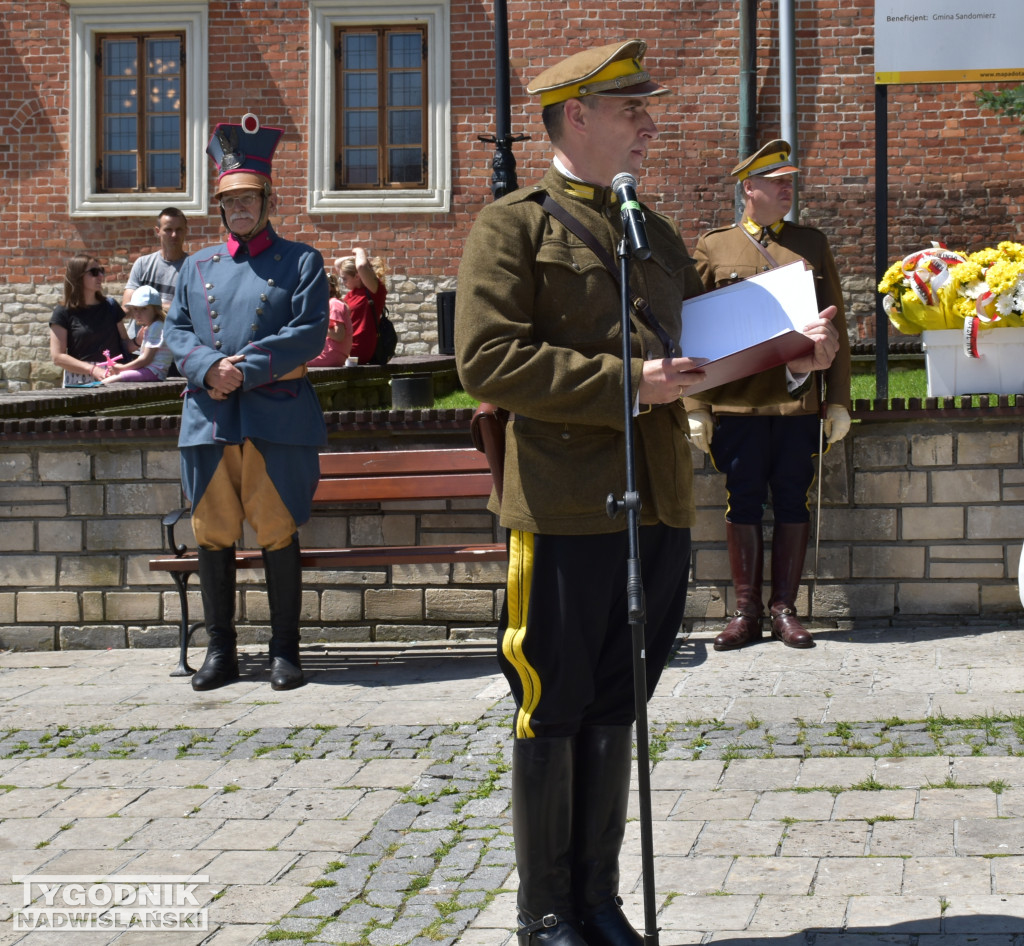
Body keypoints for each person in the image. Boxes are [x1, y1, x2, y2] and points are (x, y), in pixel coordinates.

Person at [454, 41, 840, 946]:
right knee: (552, 699)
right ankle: (545, 913)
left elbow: (703, 357)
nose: (650, 125)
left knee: (619, 700)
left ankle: (598, 902)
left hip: (657, 500)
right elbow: (490, 358)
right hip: (561, 504)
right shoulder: (513, 227)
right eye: (632, 110)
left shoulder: (655, 235)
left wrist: (795, 354)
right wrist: (632, 381)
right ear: (576, 116)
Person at [163, 115, 329, 693]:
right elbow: (176, 332)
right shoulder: (195, 267)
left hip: (274, 415)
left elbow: (309, 335)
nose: (239, 208)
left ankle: (286, 650)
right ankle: (221, 652)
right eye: (229, 200)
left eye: (248, 198)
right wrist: (210, 368)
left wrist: (243, 368)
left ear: (266, 199)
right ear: (220, 205)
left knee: (277, 529)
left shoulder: (302, 262)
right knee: (212, 530)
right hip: (210, 415)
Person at [685, 140, 852, 652]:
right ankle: (745, 612)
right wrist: (695, 407)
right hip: (737, 402)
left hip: (797, 400)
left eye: (789, 181)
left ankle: (784, 609)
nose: (787, 189)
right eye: (776, 181)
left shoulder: (811, 243)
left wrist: (839, 399)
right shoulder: (714, 246)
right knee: (743, 502)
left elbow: (835, 324)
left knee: (793, 500)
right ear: (747, 189)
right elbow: (692, 326)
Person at [49, 254, 135, 386]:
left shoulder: (110, 306)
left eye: (101, 271)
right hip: (79, 382)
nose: (101, 276)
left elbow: (125, 343)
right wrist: (92, 369)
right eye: (94, 272)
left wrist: (139, 341)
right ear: (78, 276)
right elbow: (58, 357)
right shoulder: (63, 312)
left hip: (113, 379)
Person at [101, 285, 174, 383]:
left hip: (154, 372)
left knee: (110, 381)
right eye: (135, 309)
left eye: (144, 308)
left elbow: (146, 359)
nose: (138, 314)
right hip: (149, 370)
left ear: (155, 309)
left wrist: (122, 368)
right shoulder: (152, 326)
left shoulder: (156, 326)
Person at [123, 207, 190, 310]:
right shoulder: (143, 264)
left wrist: (147, 305)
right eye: (168, 230)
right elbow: (127, 307)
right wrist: (167, 307)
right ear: (158, 231)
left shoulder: (192, 268)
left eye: (179, 230)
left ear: (186, 231)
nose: (174, 235)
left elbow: (190, 309)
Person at [336, 247, 387, 363]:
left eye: (344, 279)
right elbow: (337, 263)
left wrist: (359, 251)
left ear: (357, 276)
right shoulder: (351, 294)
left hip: (358, 349)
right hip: (345, 345)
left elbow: (361, 266)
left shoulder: (374, 290)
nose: (342, 283)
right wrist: (354, 258)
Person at [308, 272, 353, 366]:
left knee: (290, 361)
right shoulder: (330, 304)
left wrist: (316, 326)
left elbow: (339, 335)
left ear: (329, 287)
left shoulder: (334, 304)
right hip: (332, 355)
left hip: (330, 355)